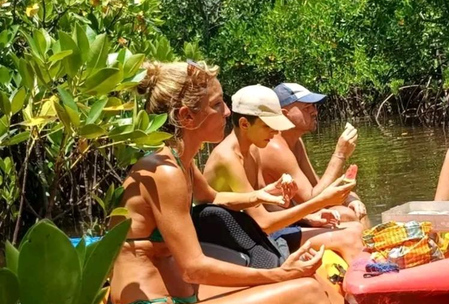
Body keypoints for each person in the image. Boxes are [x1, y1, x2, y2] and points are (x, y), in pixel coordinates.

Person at [110, 61, 342, 304]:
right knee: (307, 290)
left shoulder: (181, 163)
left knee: (307, 281)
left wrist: (261, 195)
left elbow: (214, 197)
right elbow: (193, 267)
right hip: (152, 300)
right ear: (187, 116)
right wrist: (279, 274)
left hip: (180, 291)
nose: (228, 112)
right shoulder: (165, 172)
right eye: (217, 104)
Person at [202, 84, 363, 264]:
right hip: (237, 241)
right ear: (244, 124)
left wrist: (308, 218)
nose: (275, 132)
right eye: (268, 126)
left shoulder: (253, 149)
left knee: (354, 227)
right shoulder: (228, 158)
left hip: (253, 231)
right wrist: (319, 203)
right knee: (350, 236)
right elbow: (263, 223)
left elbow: (263, 205)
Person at [259, 83, 369, 227]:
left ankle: (374, 246)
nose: (314, 112)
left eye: (313, 106)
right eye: (307, 108)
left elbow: (316, 186)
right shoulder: (274, 147)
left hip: (298, 214)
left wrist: (349, 199)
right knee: (346, 215)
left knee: (353, 199)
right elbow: (312, 201)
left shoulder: (295, 142)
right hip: (282, 224)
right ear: (284, 114)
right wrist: (340, 154)